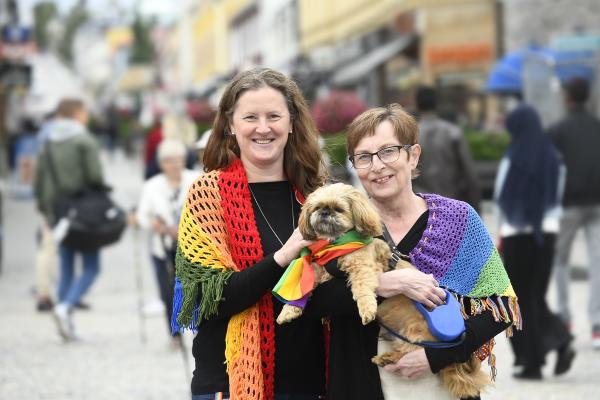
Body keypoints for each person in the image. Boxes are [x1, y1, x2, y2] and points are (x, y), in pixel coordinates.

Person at [303, 104, 520, 400]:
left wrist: (436, 357)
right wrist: (382, 284)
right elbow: (309, 301)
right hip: (358, 381)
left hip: (442, 384)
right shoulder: (336, 224)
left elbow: (501, 305)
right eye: (363, 157)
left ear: (413, 155)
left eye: (388, 151)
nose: (377, 166)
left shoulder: (457, 220)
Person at [171, 68, 326, 400]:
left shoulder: (317, 194)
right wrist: (284, 256)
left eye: (274, 116)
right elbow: (209, 299)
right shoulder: (207, 195)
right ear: (231, 124)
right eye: (251, 117)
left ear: (291, 122)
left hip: (312, 382)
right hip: (230, 383)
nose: (263, 128)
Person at [494, 104, 575, 379]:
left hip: (516, 236)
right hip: (546, 235)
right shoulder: (554, 157)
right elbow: (557, 197)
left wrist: (501, 231)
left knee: (516, 299)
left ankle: (536, 358)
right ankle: (539, 355)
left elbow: (501, 198)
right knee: (534, 296)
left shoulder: (513, 156)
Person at [34, 98, 105, 341]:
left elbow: (39, 181)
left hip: (58, 212)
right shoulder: (85, 140)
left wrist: (46, 211)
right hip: (84, 212)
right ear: (77, 113)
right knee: (91, 267)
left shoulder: (48, 142)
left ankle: (66, 324)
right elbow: (95, 177)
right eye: (85, 112)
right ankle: (65, 308)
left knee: (66, 268)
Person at [548, 77, 600, 349]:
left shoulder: (557, 130)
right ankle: (597, 325)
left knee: (561, 261)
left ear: (567, 98)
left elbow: (549, 169)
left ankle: (565, 319)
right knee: (597, 262)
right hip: (597, 203)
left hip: (567, 204)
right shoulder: (597, 126)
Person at [134, 139, 199, 347]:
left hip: (193, 247)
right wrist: (154, 224)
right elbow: (142, 216)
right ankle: (175, 334)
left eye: (179, 159)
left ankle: (199, 330)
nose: (175, 164)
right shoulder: (152, 186)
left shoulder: (196, 179)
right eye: (169, 160)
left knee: (194, 289)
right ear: (161, 163)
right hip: (162, 247)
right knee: (167, 290)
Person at [412, 86, 481, 211]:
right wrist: (476, 208)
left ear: (417, 104)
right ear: (436, 104)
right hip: (452, 203)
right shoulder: (453, 132)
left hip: (422, 206)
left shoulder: (411, 136)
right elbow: (470, 174)